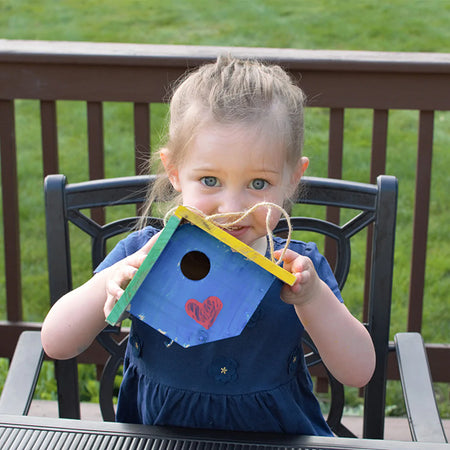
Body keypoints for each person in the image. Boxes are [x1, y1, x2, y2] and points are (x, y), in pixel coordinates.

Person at [41, 56, 375, 436]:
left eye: (259, 184)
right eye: (210, 181)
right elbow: (56, 342)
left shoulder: (296, 268)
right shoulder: (146, 254)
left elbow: (358, 371)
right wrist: (113, 281)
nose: (231, 208)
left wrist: (313, 299)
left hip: (275, 439)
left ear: (292, 179)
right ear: (174, 172)